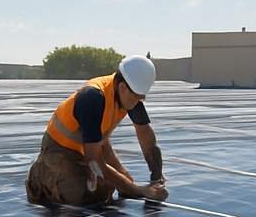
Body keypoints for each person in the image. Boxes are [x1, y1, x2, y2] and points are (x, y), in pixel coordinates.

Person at [25, 55, 169, 207]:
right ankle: (40, 175)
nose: (137, 103)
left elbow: (146, 137)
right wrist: (139, 190)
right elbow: (95, 161)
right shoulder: (93, 97)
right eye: (135, 98)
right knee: (82, 194)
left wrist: (156, 176)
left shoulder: (129, 96)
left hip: (90, 146)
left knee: (113, 184)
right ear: (122, 87)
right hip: (59, 150)